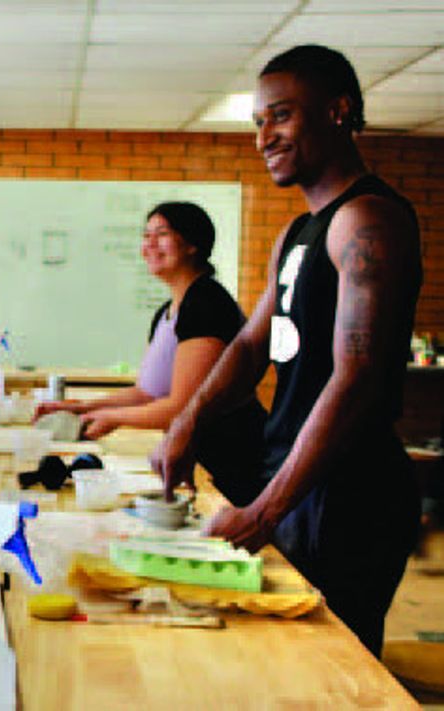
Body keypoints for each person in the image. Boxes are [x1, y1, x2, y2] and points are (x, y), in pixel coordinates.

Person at [151, 45, 422, 656]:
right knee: (278, 660)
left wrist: (265, 511)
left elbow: (358, 380)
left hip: (350, 494)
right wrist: (187, 424)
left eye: (280, 116)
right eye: (257, 123)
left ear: (338, 111)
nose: (264, 137)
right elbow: (252, 346)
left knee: (331, 678)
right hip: (297, 481)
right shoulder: (299, 232)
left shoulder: (368, 220)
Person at [37, 202, 267, 504]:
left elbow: (181, 407)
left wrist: (111, 416)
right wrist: (81, 408)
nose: (149, 245)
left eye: (162, 234)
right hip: (198, 458)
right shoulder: (168, 311)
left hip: (233, 460)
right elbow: (146, 393)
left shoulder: (206, 303)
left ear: (193, 245)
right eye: (146, 236)